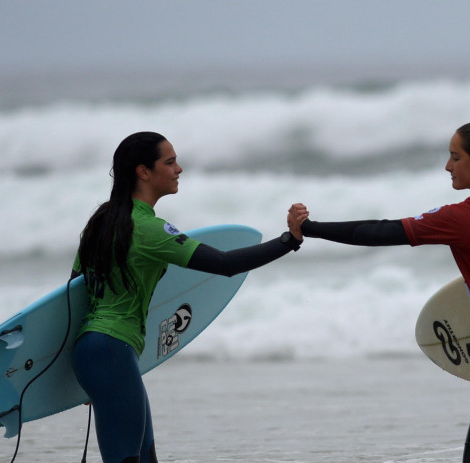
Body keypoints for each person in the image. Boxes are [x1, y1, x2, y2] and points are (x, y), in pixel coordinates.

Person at [289, 121, 470, 463]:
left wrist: (309, 228)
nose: (448, 166)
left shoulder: (467, 217)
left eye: (455, 157)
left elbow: (380, 232)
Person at [71, 131, 307, 463]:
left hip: (97, 351)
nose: (179, 169)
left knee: (143, 457)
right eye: (170, 162)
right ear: (143, 172)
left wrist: (88, 374)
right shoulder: (148, 230)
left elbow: (74, 295)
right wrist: (289, 240)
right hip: (112, 349)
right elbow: (224, 264)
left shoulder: (101, 222)